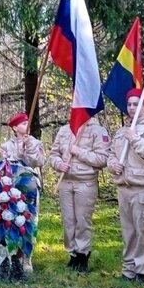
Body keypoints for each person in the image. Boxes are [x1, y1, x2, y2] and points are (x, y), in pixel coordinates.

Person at [106, 88, 144, 285]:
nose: (132, 108)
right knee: (128, 232)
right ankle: (128, 270)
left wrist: (136, 139)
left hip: (143, 188)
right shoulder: (121, 131)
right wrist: (113, 165)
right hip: (124, 187)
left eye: (136, 104)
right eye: (129, 104)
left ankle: (143, 271)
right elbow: (111, 154)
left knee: (143, 231)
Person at [48, 117, 110, 274]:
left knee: (82, 220)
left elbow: (103, 159)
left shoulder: (98, 130)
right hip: (66, 182)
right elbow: (53, 154)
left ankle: (83, 255)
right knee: (68, 221)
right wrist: (58, 164)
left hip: (85, 182)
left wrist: (79, 152)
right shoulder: (64, 130)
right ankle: (73, 254)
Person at [0, 111, 46, 274]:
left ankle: (27, 257)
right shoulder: (6, 146)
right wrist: (18, 152)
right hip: (12, 187)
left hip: (30, 186)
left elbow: (38, 162)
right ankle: (12, 255)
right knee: (12, 218)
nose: (27, 125)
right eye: (23, 123)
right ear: (15, 127)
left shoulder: (36, 143)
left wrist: (29, 147)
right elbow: (4, 164)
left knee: (30, 220)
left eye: (28, 123)